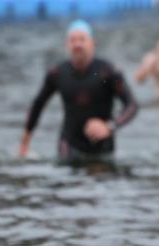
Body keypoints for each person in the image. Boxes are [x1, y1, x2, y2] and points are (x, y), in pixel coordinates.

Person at [19, 20, 139, 162]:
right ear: (67, 45)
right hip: (69, 145)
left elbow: (132, 105)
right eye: (73, 40)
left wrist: (109, 126)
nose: (77, 45)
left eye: (82, 39)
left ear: (92, 43)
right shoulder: (58, 74)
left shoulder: (107, 73)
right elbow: (38, 105)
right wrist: (25, 141)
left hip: (103, 147)